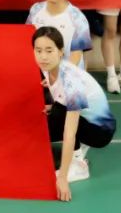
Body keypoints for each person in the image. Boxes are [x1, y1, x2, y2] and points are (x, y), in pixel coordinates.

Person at [33, 27, 116, 202]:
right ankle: (79, 146)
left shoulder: (72, 81)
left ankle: (78, 165)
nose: (43, 56)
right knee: (43, 128)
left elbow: (69, 133)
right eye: (38, 50)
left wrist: (62, 178)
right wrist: (54, 107)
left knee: (60, 117)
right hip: (85, 118)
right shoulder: (48, 69)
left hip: (101, 131)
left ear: (60, 51)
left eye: (49, 50)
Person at [26, 0, 92, 66]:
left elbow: (76, 55)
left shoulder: (77, 18)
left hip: (68, 71)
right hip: (42, 69)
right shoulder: (35, 10)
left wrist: (61, 74)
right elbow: (28, 38)